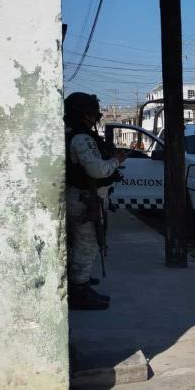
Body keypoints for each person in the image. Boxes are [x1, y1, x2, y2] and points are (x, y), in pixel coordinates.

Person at [65, 92, 126, 310]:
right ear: (84, 115)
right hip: (85, 200)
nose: (95, 117)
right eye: (92, 113)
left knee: (79, 244)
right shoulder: (81, 138)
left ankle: (78, 281)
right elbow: (97, 170)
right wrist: (115, 161)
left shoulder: (72, 134)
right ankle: (78, 291)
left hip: (83, 197)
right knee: (88, 244)